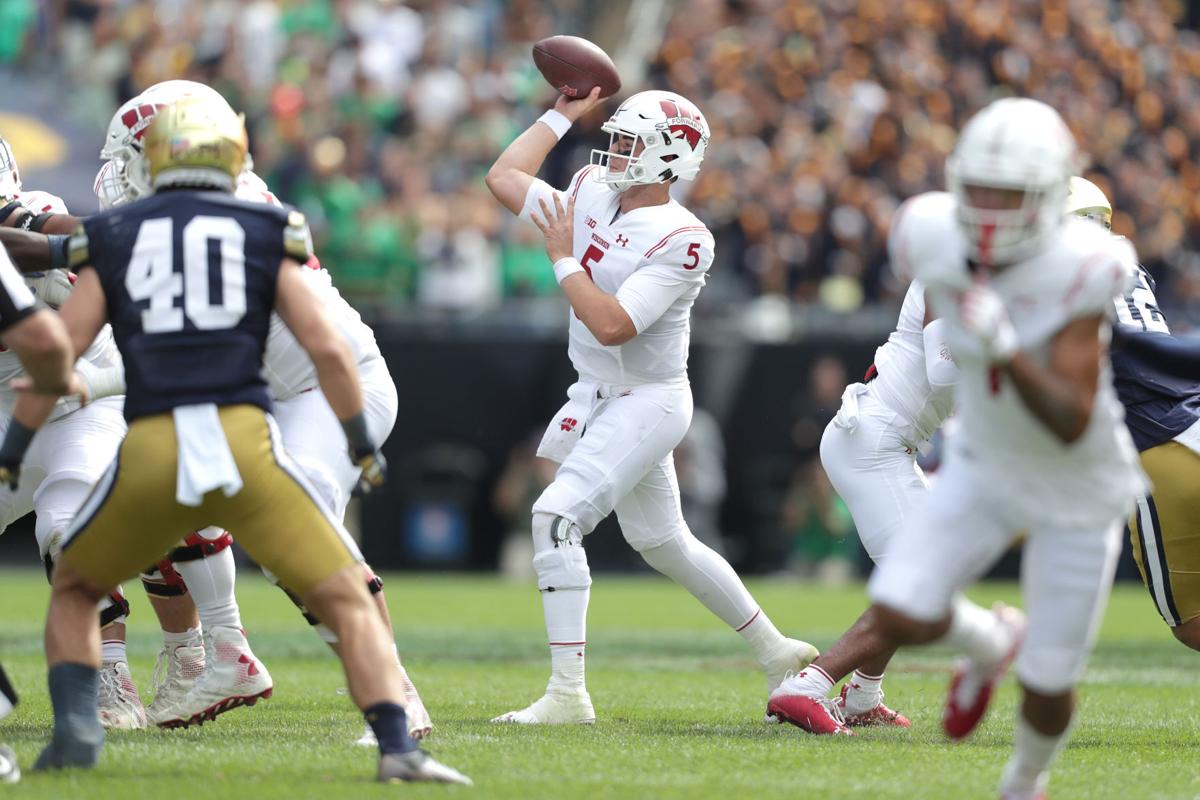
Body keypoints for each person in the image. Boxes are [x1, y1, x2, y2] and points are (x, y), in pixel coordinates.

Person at [17, 95, 466, 784]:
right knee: (179, 516)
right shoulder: (251, 216)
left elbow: (87, 263)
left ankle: (400, 700)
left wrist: (355, 437)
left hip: (315, 392)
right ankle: (227, 655)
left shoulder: (217, 219)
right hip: (261, 404)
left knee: (313, 548)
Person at [773, 97, 1142, 800]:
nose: (992, 210)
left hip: (1075, 476)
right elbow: (947, 371)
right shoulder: (937, 234)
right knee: (909, 601)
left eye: (1013, 195)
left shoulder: (1088, 268)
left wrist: (1005, 341)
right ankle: (985, 644)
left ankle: (1019, 780)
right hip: (968, 451)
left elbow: (1069, 418)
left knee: (1050, 682)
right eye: (981, 189)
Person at [484, 87, 817, 724]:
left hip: (650, 399)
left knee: (555, 516)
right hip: (599, 392)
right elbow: (503, 175)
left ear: (666, 158)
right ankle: (777, 651)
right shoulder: (589, 187)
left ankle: (567, 695)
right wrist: (562, 112)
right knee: (664, 541)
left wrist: (560, 259)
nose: (612, 149)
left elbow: (613, 325)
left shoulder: (684, 237)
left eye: (629, 141)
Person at [770, 191, 959, 732]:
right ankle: (806, 686)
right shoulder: (951, 275)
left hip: (884, 441)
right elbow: (949, 373)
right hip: (874, 440)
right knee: (922, 581)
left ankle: (861, 697)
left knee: (918, 579)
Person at [0, 140, 144, 729]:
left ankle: (109, 675)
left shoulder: (32, 211)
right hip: (9, 408)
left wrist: (70, 245)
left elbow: (42, 232)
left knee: (68, 530)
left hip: (75, 403)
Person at [1067, 177, 1200, 653]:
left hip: (1154, 446)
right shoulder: (1127, 265)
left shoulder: (1066, 274)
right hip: (1192, 417)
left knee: (1192, 624)